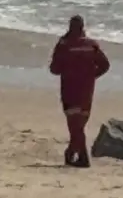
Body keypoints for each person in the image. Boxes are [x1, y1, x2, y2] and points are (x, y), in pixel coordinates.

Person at [49, 14, 110, 168]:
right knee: (79, 125)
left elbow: (54, 69)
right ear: (83, 27)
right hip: (86, 91)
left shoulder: (64, 44)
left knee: (74, 126)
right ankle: (74, 153)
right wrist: (91, 76)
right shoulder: (91, 45)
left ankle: (80, 156)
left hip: (69, 90)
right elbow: (105, 65)